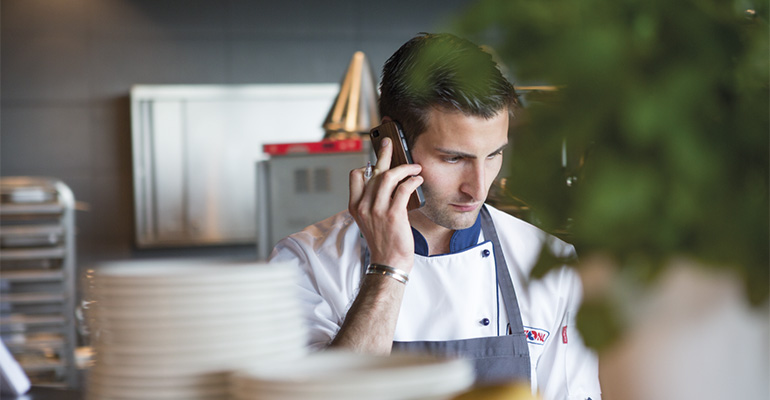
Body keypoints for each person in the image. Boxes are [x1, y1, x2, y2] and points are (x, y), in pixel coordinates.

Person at [269, 33, 601, 400]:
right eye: (453, 158)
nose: (478, 188)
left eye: (493, 155)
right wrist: (388, 268)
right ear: (393, 145)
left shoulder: (549, 262)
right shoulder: (306, 264)